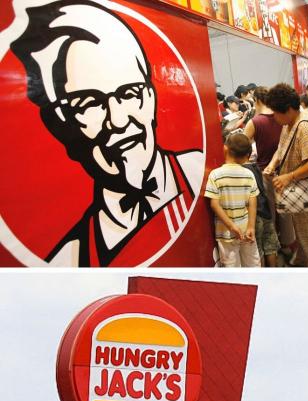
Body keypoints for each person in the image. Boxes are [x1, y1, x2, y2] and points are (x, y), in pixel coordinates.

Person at [10, 0, 204, 266]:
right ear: (62, 122)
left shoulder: (197, 175)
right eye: (90, 103)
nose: (119, 120)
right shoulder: (70, 259)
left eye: (129, 94)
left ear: (150, 99)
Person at [263, 83, 308, 267]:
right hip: (299, 190)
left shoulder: (304, 127)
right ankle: (302, 260)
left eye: (277, 113)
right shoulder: (289, 123)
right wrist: (272, 164)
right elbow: (281, 148)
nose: (274, 118)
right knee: (302, 233)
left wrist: (288, 176)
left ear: (290, 109)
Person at [205, 132, 260, 268]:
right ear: (246, 156)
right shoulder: (249, 174)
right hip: (247, 230)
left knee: (232, 268)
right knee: (253, 264)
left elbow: (214, 204)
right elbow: (252, 203)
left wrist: (231, 226)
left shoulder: (215, 175)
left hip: (226, 232)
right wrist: (251, 226)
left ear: (225, 149)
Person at [243, 86, 282, 266]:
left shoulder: (256, 121)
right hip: (284, 171)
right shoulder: (281, 117)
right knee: (285, 214)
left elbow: (242, 145)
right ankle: (286, 245)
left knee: (270, 215)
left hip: (264, 172)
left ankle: (274, 248)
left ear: (257, 100)